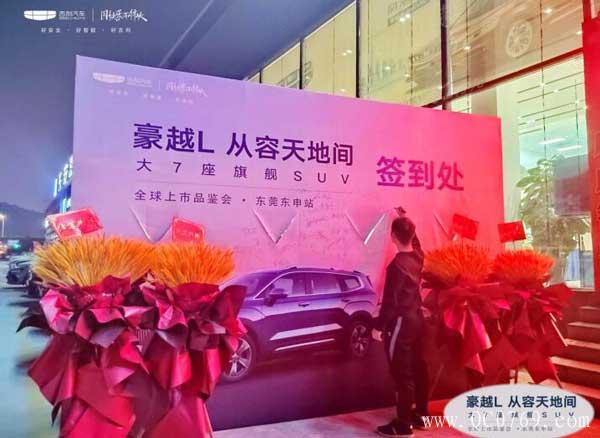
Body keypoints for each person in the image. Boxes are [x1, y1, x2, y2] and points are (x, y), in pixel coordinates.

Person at [373, 213, 429, 437]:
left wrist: (378, 327)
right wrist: (404, 217)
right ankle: (421, 415)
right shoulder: (418, 257)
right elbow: (416, 243)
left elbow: (390, 303)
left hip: (401, 323)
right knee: (419, 368)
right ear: (412, 236)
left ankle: (403, 425)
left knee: (401, 373)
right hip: (418, 320)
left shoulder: (396, 266)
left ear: (393, 237)